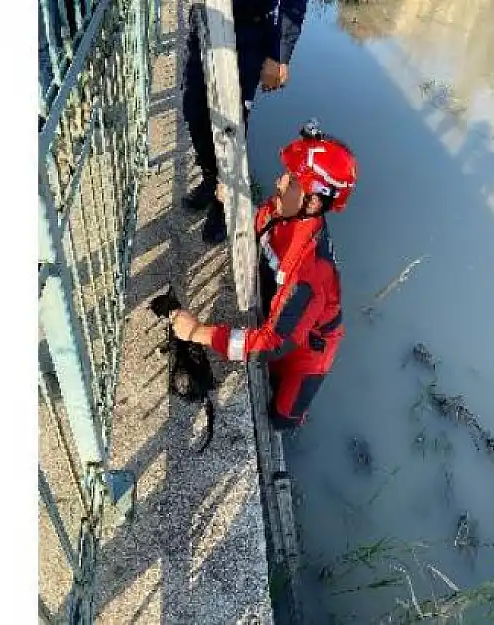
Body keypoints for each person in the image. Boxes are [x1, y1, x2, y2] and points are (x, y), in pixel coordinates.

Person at [169, 121, 358, 429]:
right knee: (269, 368)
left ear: (313, 201)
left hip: (309, 349)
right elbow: (256, 223)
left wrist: (197, 333)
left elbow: (271, 344)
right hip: (284, 317)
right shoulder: (284, 211)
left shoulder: (309, 270)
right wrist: (232, 204)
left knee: (281, 419)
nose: (279, 182)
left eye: (292, 180)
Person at [182, 0, 310, 244]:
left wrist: (279, 54)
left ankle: (223, 203)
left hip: (249, 34)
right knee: (194, 109)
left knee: (232, 124)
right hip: (206, 21)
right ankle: (211, 180)